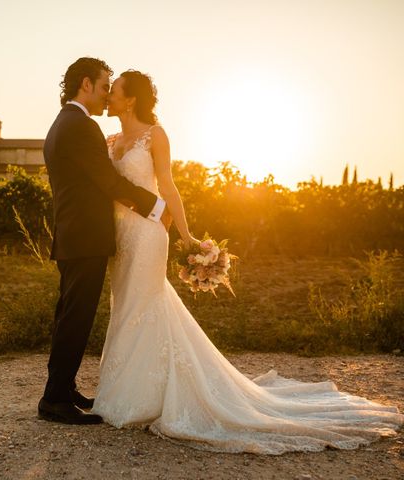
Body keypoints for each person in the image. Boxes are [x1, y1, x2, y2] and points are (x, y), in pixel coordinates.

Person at [90, 69, 404, 454]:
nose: (109, 97)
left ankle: (146, 398)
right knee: (123, 307)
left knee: (145, 305)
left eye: (115, 91)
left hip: (149, 235)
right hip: (121, 238)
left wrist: (186, 236)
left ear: (131, 98)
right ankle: (122, 391)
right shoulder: (110, 139)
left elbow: (168, 185)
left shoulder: (155, 135)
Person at [39, 58, 171, 424]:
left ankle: (62, 389)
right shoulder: (81, 127)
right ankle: (54, 400)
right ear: (86, 85)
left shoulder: (64, 122)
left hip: (74, 234)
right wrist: (155, 207)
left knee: (69, 316)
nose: (105, 96)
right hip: (85, 237)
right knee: (75, 319)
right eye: (102, 87)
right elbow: (108, 183)